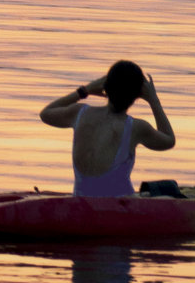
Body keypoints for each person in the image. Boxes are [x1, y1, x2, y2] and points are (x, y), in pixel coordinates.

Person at [40, 60, 175, 197]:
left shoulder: (79, 113)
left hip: (82, 202)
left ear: (106, 86)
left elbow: (46, 114)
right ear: (138, 95)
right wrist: (153, 100)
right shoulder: (136, 127)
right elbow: (169, 140)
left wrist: (85, 90)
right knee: (172, 192)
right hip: (121, 206)